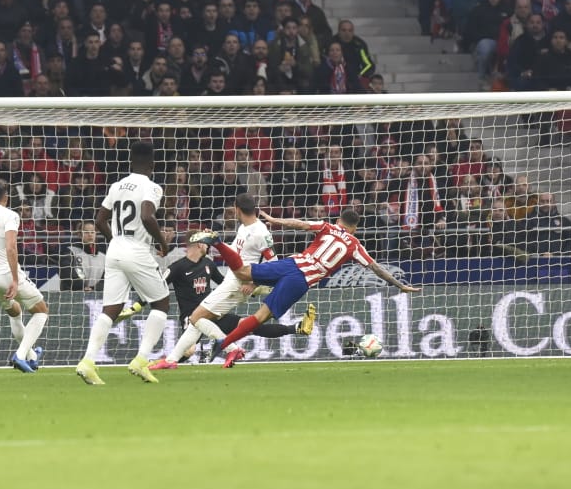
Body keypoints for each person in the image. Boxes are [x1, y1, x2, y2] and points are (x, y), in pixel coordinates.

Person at [191, 207, 417, 367]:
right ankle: (222, 343)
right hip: (300, 280)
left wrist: (275, 220)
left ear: (339, 220)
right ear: (354, 229)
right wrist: (400, 285)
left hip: (291, 263)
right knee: (260, 317)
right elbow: (375, 268)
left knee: (242, 273)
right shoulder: (355, 245)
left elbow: (300, 224)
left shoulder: (328, 226)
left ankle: (217, 242)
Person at [151, 194, 314, 370]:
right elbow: (236, 253)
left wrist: (255, 284)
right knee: (198, 321)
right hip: (231, 279)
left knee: (196, 317)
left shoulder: (260, 232)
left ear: (237, 209)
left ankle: (232, 348)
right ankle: (171, 360)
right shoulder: (244, 227)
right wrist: (213, 240)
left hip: (238, 284)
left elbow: (273, 263)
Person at [76, 140, 172, 386]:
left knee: (111, 309)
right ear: (152, 164)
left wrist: (114, 240)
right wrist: (162, 242)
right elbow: (147, 216)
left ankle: (87, 362)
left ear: (131, 162)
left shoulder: (117, 185)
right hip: (137, 249)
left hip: (115, 249)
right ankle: (140, 360)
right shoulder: (152, 187)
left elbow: (99, 220)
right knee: (161, 303)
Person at [0, 178, 49, 373]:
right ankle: (20, 355)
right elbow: (11, 247)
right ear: (6, 197)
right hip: (5, 273)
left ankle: (31, 356)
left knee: (15, 311)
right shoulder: (10, 215)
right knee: (41, 310)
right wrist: (15, 279)